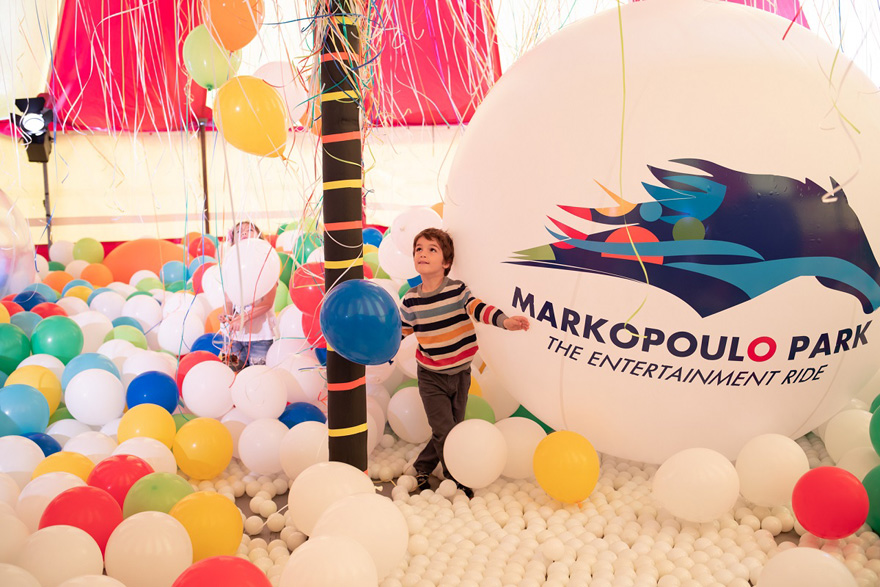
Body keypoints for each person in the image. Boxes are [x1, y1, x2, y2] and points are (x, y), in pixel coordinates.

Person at [400, 227, 530, 498]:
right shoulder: (411, 300)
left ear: (446, 262)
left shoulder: (457, 290)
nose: (423, 254)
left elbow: (479, 308)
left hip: (460, 374)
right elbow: (400, 332)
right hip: (431, 375)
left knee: (452, 430)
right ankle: (457, 476)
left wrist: (505, 321)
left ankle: (422, 466)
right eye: (418, 249)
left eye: (431, 250)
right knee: (444, 430)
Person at [219, 221, 278, 370]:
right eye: (239, 231)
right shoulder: (231, 266)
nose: (244, 233)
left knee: (257, 375)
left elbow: (267, 303)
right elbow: (228, 300)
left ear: (259, 237)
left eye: (250, 230)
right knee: (230, 371)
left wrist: (243, 318)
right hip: (233, 338)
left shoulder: (266, 264)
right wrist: (227, 315)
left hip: (260, 338)